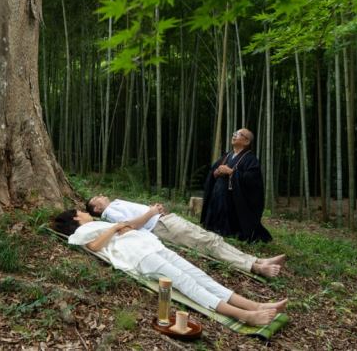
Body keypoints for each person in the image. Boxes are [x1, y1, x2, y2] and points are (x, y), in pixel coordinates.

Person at [54, 209, 288, 326]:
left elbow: (121, 229)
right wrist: (115, 228)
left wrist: (122, 227)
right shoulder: (82, 230)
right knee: (190, 285)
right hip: (141, 257)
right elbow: (94, 246)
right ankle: (245, 316)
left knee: (201, 277)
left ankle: (256, 305)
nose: (85, 212)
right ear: (76, 218)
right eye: (81, 211)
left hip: (152, 247)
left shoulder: (96, 223)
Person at [86, 195, 284, 277]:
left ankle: (257, 260)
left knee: (212, 239)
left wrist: (154, 210)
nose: (102, 195)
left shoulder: (113, 206)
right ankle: (254, 267)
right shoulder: (109, 212)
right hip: (162, 227)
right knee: (208, 243)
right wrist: (153, 212)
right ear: (97, 207)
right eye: (98, 197)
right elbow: (130, 226)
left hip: (164, 221)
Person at [201, 128, 272, 242]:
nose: (234, 135)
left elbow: (252, 182)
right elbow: (212, 172)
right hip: (218, 196)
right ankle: (214, 227)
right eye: (234, 133)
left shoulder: (251, 160)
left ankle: (233, 232)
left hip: (234, 201)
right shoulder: (226, 156)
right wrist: (216, 172)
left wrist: (231, 172)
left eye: (239, 134)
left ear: (247, 141)